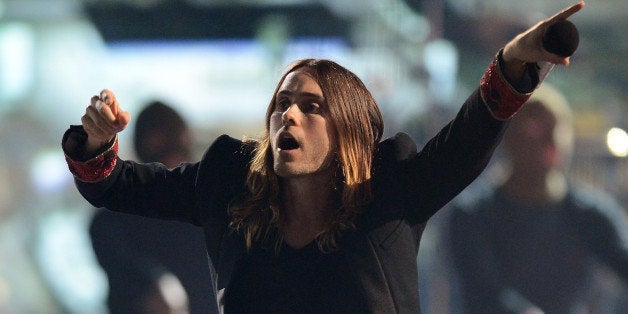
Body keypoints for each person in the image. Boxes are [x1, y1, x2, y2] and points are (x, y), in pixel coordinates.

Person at [62, 2, 586, 312]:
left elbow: (467, 140)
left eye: (312, 107)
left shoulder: (394, 187)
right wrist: (95, 142)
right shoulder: (229, 181)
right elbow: (115, 185)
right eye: (282, 104)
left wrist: (514, 63)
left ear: (351, 133)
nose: (288, 116)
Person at [446, 84, 628, 313]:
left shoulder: (590, 215)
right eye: (536, 128)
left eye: (558, 127)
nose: (552, 139)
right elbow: (484, 293)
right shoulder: (473, 214)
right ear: (508, 136)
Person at [88, 101, 216, 313]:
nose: (172, 160)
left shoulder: (212, 210)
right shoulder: (113, 220)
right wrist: (152, 284)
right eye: (160, 146)